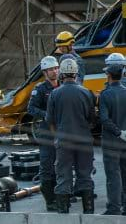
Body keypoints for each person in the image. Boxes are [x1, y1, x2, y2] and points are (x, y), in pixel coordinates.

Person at [45, 59, 96, 214]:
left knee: (63, 175)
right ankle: (88, 212)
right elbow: (92, 119)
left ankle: (63, 212)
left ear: (61, 73)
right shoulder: (86, 93)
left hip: (63, 140)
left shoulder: (55, 94)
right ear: (76, 73)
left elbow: (50, 120)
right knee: (85, 174)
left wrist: (56, 137)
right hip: (83, 140)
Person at [26, 56, 59, 211]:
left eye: (56, 68)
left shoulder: (63, 86)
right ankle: (50, 200)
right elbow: (31, 109)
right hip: (47, 134)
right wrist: (46, 114)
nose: (55, 71)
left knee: (63, 166)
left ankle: (64, 195)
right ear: (45, 72)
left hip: (63, 133)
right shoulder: (40, 89)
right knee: (47, 167)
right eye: (51, 69)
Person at [98, 53, 126, 215]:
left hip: (111, 141)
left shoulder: (105, 94)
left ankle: (114, 208)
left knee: (113, 176)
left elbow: (104, 119)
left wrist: (118, 132)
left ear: (108, 75)